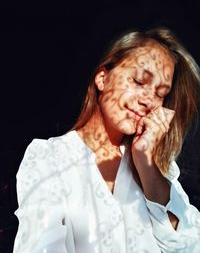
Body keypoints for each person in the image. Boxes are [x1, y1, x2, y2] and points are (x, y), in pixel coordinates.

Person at [13, 27, 200, 253]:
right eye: (139, 81)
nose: (149, 100)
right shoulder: (49, 158)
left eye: (161, 94)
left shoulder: (158, 165)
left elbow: (189, 244)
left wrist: (146, 164)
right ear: (103, 78)